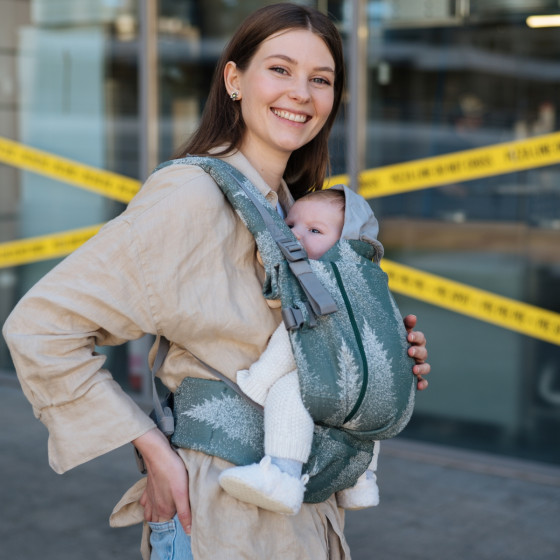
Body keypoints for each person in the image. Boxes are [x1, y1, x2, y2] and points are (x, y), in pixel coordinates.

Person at [2, 4, 430, 559]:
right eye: (279, 69)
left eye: (320, 79)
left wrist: (371, 355)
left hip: (292, 516)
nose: (301, 92)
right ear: (234, 79)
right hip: (219, 520)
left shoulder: (292, 210)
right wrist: (152, 448)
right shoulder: (193, 196)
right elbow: (41, 328)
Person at [219, 187, 385, 516]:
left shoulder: (321, 281)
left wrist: (258, 382)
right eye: (291, 224)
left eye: (314, 231)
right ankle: (361, 481)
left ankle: (283, 475)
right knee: (365, 414)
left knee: (288, 389)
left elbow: (293, 340)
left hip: (332, 380)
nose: (294, 234)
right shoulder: (369, 284)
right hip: (365, 387)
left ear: (347, 245)